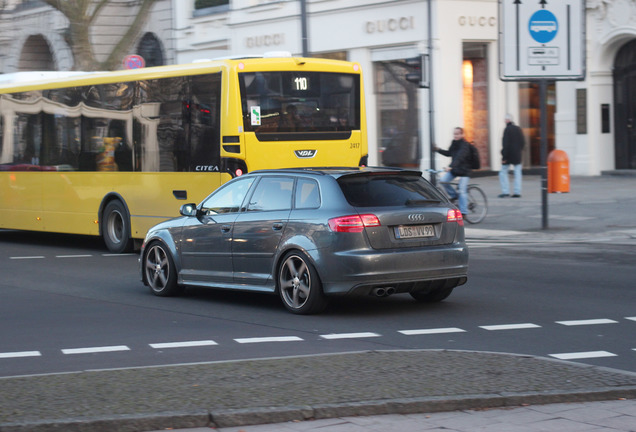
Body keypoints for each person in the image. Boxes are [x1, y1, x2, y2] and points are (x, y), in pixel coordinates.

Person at [434, 127, 472, 216]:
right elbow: (449, 153)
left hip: (464, 171)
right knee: (443, 181)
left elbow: (459, 156)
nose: (456, 135)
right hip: (455, 170)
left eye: (458, 134)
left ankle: (464, 212)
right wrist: (438, 149)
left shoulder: (465, 145)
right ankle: (454, 196)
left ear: (462, 134)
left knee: (462, 191)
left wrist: (451, 166)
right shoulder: (454, 143)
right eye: (454, 134)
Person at [499, 114, 525, 198]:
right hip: (517, 155)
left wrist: (504, 157)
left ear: (507, 120)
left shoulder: (507, 129)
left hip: (509, 155)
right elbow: (523, 142)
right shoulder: (518, 129)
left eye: (505, 120)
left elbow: (505, 144)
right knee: (517, 173)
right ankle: (517, 192)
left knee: (503, 172)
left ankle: (505, 191)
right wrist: (519, 151)